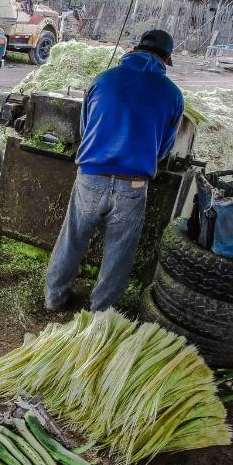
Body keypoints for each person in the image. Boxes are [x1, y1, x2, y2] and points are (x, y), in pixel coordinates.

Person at [44, 28, 184, 312]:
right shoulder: (172, 94)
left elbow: (85, 127)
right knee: (119, 252)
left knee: (71, 239)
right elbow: (165, 147)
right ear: (165, 59)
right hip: (133, 184)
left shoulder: (103, 80)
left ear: (134, 50)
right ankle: (100, 310)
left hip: (91, 176)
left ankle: (54, 298)